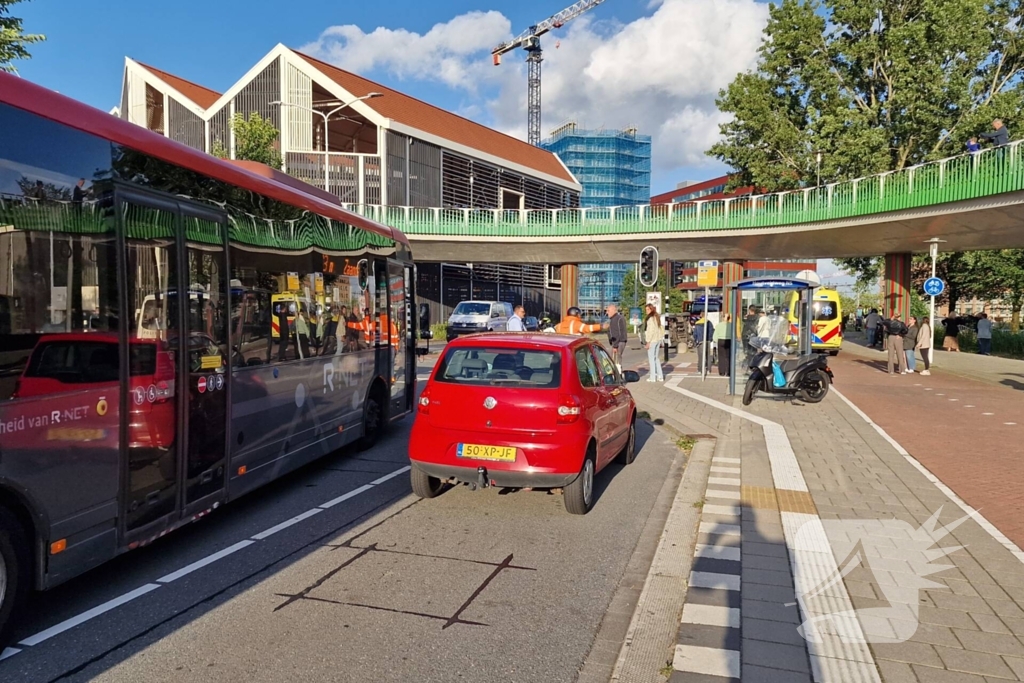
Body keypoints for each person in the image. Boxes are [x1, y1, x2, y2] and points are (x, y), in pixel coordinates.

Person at [644, 304, 665, 382]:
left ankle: (653, 377)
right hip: (658, 339)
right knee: (656, 358)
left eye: (648, 309)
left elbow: (650, 331)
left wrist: (648, 342)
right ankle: (660, 376)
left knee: (651, 359)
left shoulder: (650, 319)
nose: (647, 311)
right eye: (646, 309)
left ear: (651, 309)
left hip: (652, 340)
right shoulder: (657, 317)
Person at [605, 304, 627, 370]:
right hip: (621, 341)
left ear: (613, 310)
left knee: (615, 360)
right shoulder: (619, 317)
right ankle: (618, 373)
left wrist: (615, 346)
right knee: (616, 360)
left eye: (608, 311)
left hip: (618, 342)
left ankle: (617, 375)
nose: (606, 312)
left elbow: (616, 333)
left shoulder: (615, 319)